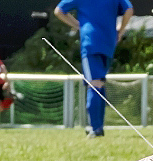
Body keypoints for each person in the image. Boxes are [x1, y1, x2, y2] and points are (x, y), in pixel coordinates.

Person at [54, 0, 133, 138]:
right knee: (100, 84)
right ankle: (99, 126)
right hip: (109, 43)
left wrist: (78, 25)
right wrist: (120, 30)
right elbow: (129, 9)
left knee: (94, 84)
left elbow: (59, 11)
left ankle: (95, 128)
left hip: (90, 42)